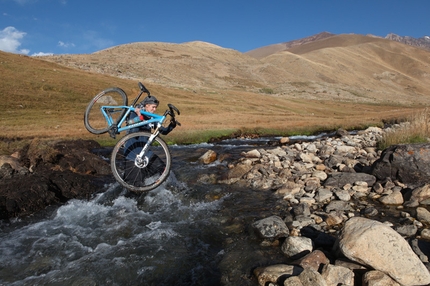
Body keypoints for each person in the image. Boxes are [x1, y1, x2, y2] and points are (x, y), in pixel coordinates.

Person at [122, 95, 176, 187]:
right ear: (146, 105)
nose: (154, 109)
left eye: (155, 107)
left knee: (163, 170)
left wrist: (172, 125)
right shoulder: (135, 112)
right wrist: (139, 116)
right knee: (135, 188)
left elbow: (163, 131)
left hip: (146, 154)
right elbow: (132, 128)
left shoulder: (151, 118)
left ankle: (170, 189)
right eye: (153, 107)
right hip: (133, 154)